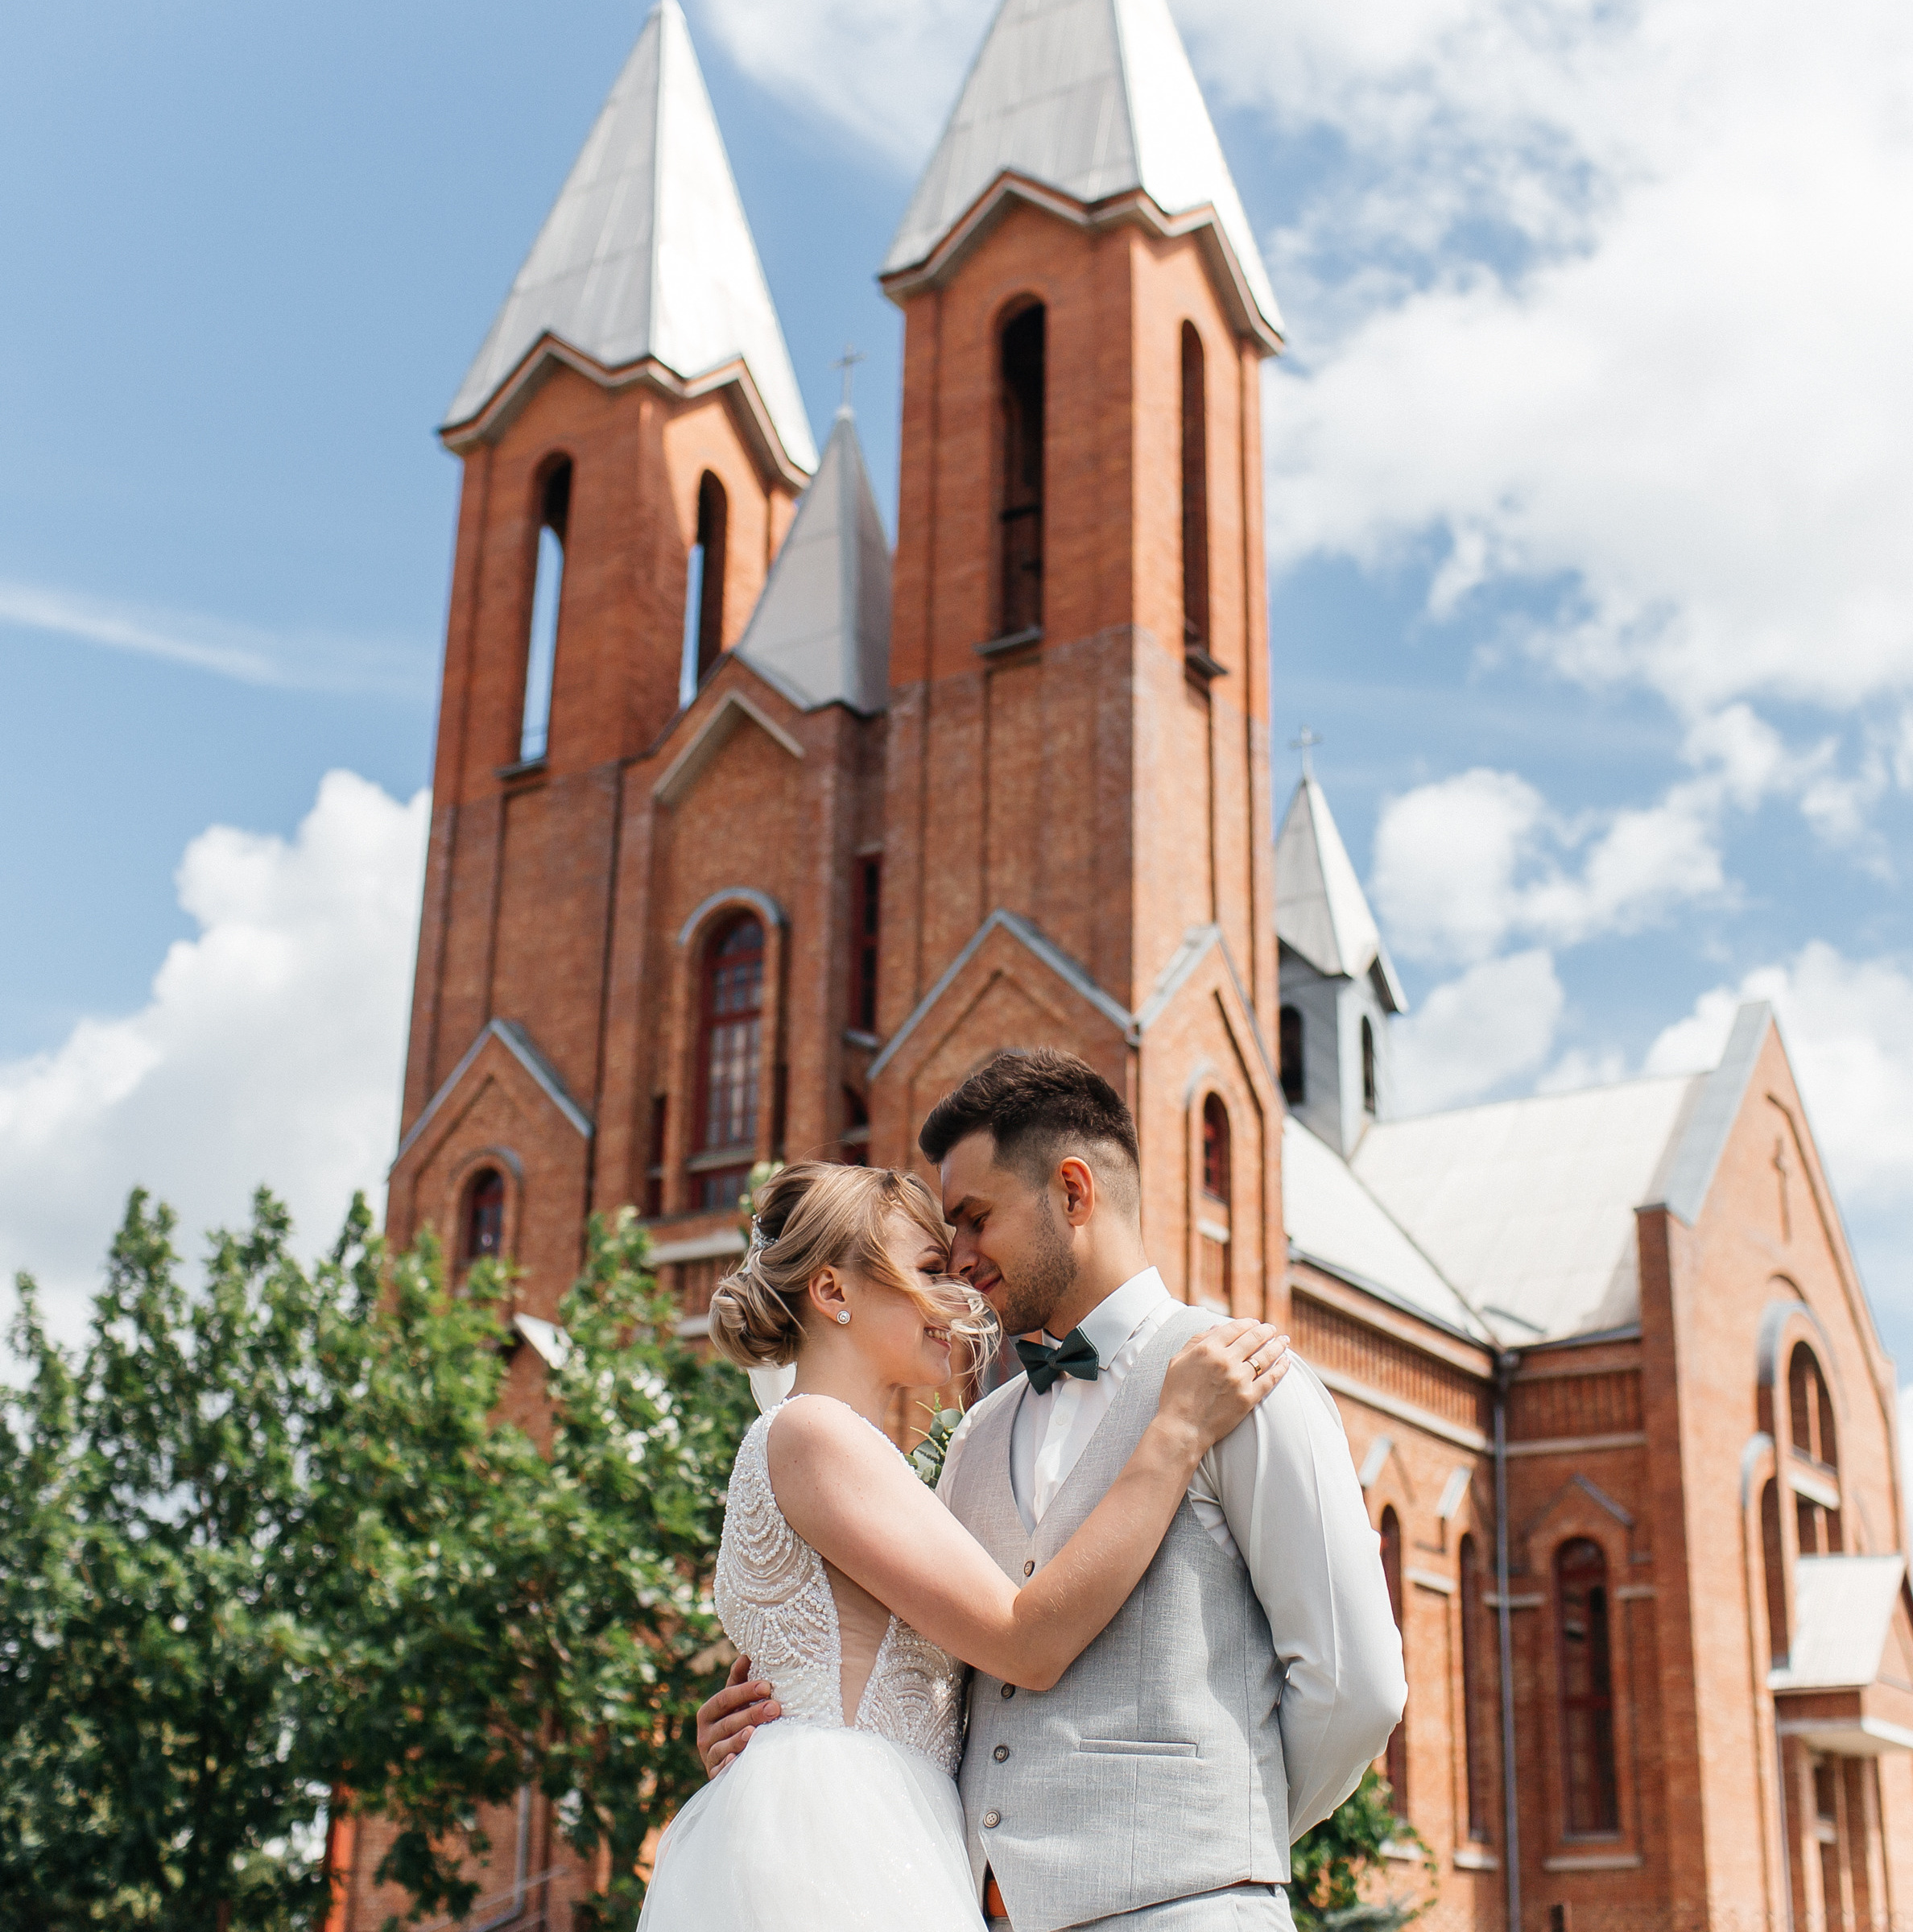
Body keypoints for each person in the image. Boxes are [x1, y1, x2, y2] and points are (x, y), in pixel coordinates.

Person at [700, 1050, 1407, 1931]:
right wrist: (785, 1724)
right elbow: (958, 1659)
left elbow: (1358, 1686)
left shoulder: (1243, 1378)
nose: (958, 1260)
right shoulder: (974, 1437)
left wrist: (1217, 1838)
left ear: (1073, 1193)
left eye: (973, 1218)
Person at [640, 1158, 1291, 1931]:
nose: (957, 1299)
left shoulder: (833, 1444)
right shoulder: (815, 1432)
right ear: (832, 1291)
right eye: (927, 1271)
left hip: (876, 1815)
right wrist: (1175, 1435)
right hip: (847, 1830)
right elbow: (1024, 1643)